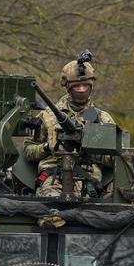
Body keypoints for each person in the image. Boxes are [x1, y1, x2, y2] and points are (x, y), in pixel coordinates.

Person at [23, 54, 116, 197]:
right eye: (77, 86)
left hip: (89, 178)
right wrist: (48, 147)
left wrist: (91, 148)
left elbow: (117, 158)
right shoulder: (47, 116)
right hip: (53, 176)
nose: (81, 89)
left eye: (85, 85)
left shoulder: (103, 119)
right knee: (52, 207)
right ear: (68, 87)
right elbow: (28, 151)